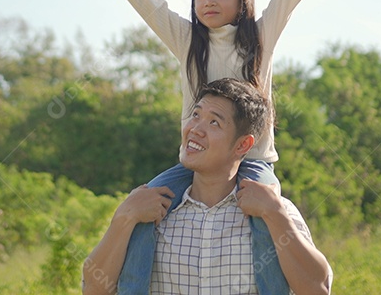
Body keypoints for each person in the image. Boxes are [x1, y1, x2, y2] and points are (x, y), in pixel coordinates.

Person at [93, 0, 363, 293]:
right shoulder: (188, 41)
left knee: (263, 222)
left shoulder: (259, 38)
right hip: (198, 157)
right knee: (144, 207)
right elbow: (147, 3)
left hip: (252, 161)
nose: (209, 1)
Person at [82, 78, 332, 294]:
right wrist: (124, 217)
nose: (195, 129)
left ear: (243, 145)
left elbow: (317, 290)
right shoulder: (149, 209)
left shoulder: (274, 212)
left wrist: (275, 215)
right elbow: (94, 290)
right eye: (196, 115)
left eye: (214, 123)